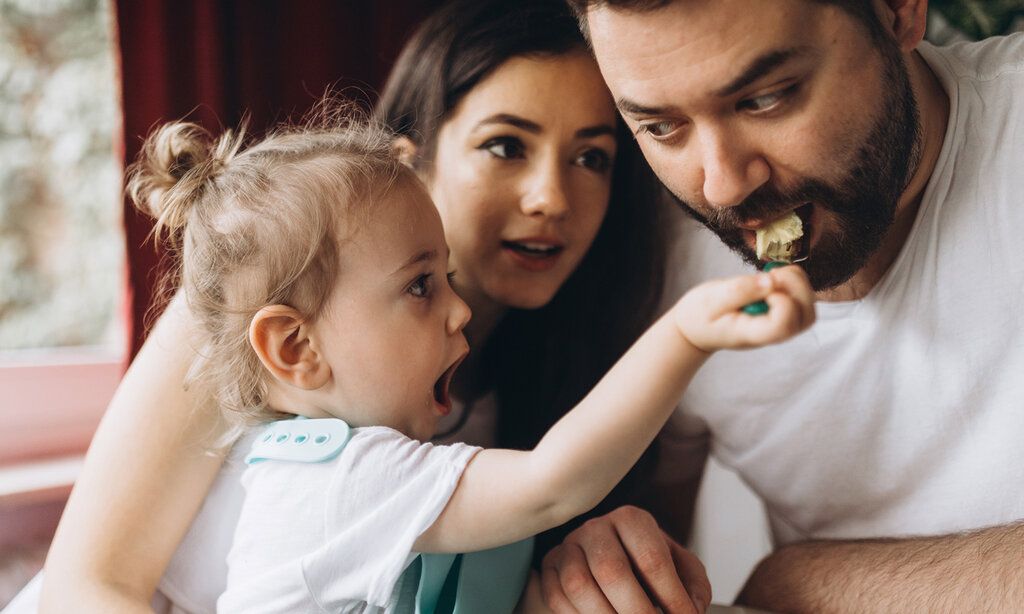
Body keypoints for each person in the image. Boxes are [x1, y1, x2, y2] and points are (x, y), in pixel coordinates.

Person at [14, 2, 708, 613]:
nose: (551, 198)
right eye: (505, 146)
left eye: (592, 158)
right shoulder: (248, 303)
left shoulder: (588, 372)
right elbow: (89, 590)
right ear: (410, 162)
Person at [122, 112, 813, 613]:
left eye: (446, 279)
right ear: (295, 348)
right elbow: (553, 483)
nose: (458, 312)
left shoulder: (354, 469)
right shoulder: (337, 477)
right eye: (421, 286)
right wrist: (686, 335)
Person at [539, 0, 1024, 612]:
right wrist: (607, 567)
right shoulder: (653, 271)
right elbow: (659, 547)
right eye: (662, 127)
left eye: (765, 98)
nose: (723, 185)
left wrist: (800, 584)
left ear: (899, 11)